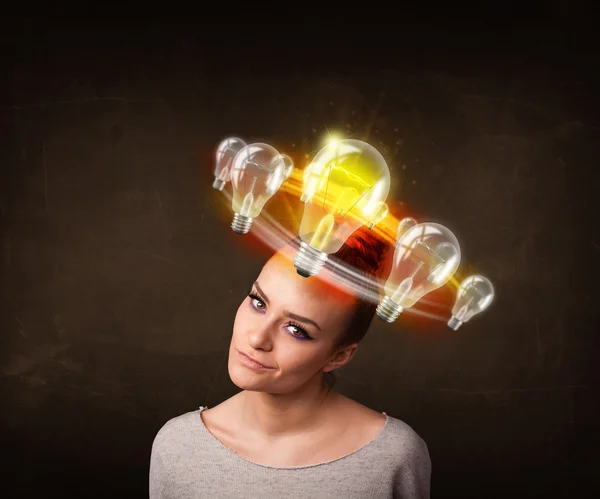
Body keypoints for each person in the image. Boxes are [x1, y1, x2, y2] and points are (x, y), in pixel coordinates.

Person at [149, 227, 431, 498]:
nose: (258, 338)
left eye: (296, 329)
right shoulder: (178, 447)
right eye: (258, 302)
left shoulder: (393, 456)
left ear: (339, 356)